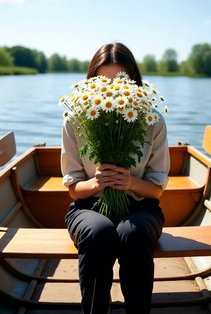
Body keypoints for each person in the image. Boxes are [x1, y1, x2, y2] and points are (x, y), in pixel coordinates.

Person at [61, 42, 170, 314]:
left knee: (131, 234)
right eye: (102, 81)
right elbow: (74, 188)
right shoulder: (76, 119)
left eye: (118, 80)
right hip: (89, 208)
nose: (110, 89)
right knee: (99, 232)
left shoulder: (152, 120)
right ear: (91, 82)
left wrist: (130, 183)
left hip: (141, 208)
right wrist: (96, 183)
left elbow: (156, 190)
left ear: (132, 82)